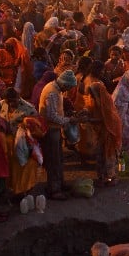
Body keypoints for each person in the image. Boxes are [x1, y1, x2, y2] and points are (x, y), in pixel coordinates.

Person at [38, 70, 86, 200]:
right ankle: (54, 189)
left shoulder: (56, 89)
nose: (69, 90)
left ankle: (59, 183)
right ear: (65, 84)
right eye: (69, 87)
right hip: (50, 130)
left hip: (55, 129)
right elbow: (52, 116)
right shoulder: (52, 92)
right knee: (53, 160)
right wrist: (69, 120)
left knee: (58, 159)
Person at [0, 88, 39, 196]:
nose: (11, 103)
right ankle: (12, 190)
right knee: (9, 168)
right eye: (9, 101)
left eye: (13, 100)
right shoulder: (1, 104)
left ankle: (24, 190)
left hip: (23, 144)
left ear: (18, 97)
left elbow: (36, 126)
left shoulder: (29, 109)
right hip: (7, 142)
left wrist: (26, 126)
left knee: (23, 167)